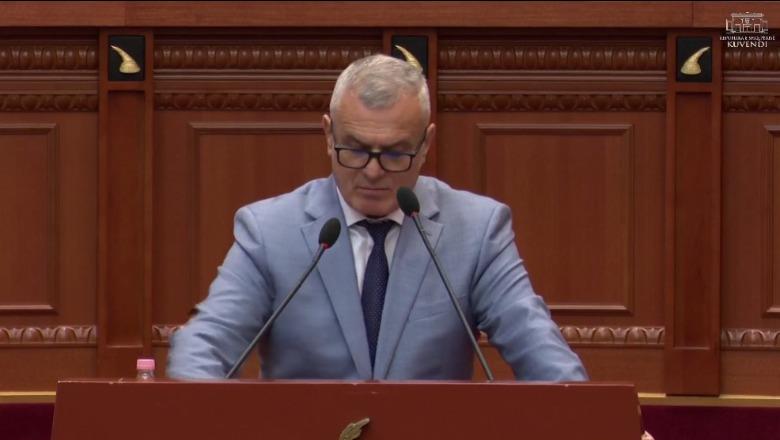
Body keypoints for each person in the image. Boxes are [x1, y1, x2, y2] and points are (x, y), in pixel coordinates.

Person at [168, 54, 587, 381]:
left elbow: (546, 359)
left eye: (394, 153)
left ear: (426, 144)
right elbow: (202, 351)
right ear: (328, 134)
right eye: (354, 149)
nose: (372, 171)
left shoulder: (476, 230)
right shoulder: (270, 231)